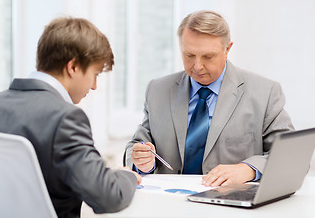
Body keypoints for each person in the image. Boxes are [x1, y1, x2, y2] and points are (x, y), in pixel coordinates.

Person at [0, 17, 141, 218]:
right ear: (73, 67)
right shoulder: (66, 118)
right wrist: (126, 175)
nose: (94, 86)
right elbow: (108, 196)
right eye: (95, 74)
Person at [124, 10, 294, 187]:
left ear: (227, 49)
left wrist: (248, 169)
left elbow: (290, 155)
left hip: (230, 206)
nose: (197, 66)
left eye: (208, 56)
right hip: (170, 203)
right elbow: (137, 145)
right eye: (189, 55)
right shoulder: (158, 90)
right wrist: (141, 161)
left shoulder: (264, 93)